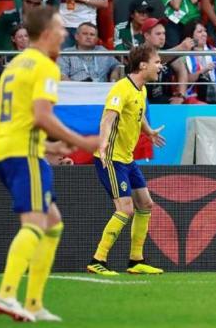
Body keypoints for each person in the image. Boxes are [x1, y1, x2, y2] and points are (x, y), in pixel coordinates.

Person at [0, 5, 100, 322]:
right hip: (24, 154)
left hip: (7, 149)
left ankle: (34, 303)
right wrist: (83, 142)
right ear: (48, 33)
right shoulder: (45, 66)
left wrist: (51, 145)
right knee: (35, 224)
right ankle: (6, 293)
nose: (65, 34)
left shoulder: (14, 65)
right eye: (62, 29)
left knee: (53, 224)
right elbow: (42, 116)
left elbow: (18, 118)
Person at [87, 44, 167, 276]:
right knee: (125, 208)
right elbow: (108, 118)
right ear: (142, 65)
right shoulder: (121, 88)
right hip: (111, 158)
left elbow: (137, 115)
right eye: (157, 62)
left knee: (146, 204)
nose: (160, 66)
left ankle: (136, 261)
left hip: (127, 159)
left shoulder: (141, 90)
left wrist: (149, 132)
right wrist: (103, 143)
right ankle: (98, 259)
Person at [139, 17, 191, 104]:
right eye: (158, 34)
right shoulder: (139, 52)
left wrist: (181, 95)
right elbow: (153, 60)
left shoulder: (166, 50)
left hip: (163, 99)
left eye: (164, 33)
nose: (162, 37)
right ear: (147, 36)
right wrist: (180, 48)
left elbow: (181, 69)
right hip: (143, 100)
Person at [183, 22, 216, 103]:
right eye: (200, 32)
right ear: (191, 36)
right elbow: (185, 80)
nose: (204, 34)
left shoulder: (214, 51)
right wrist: (204, 70)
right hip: (194, 95)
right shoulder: (184, 56)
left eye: (205, 31)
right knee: (201, 105)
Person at [58, 22, 123, 82]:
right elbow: (62, 75)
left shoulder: (102, 51)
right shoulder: (67, 53)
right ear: (76, 36)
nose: (88, 37)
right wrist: (73, 88)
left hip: (101, 88)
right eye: (85, 34)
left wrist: (115, 73)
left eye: (92, 35)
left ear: (96, 39)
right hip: (77, 88)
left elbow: (117, 65)